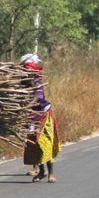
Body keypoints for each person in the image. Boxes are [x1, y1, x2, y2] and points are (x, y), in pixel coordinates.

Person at [20, 53, 61, 183]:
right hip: (31, 116)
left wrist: (27, 103)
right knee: (35, 145)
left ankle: (51, 173)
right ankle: (42, 171)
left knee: (46, 143)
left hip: (43, 115)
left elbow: (37, 98)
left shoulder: (36, 80)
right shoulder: (22, 82)